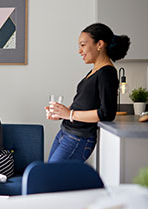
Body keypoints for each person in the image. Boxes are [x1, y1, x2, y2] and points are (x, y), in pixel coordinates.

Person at [46, 23, 130, 163]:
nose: (80, 51)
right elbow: (85, 104)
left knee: (51, 179)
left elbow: (107, 113)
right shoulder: (94, 71)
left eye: (83, 45)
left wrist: (70, 114)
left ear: (99, 44)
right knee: (51, 178)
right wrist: (63, 114)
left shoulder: (107, 73)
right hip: (65, 132)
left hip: (78, 138)